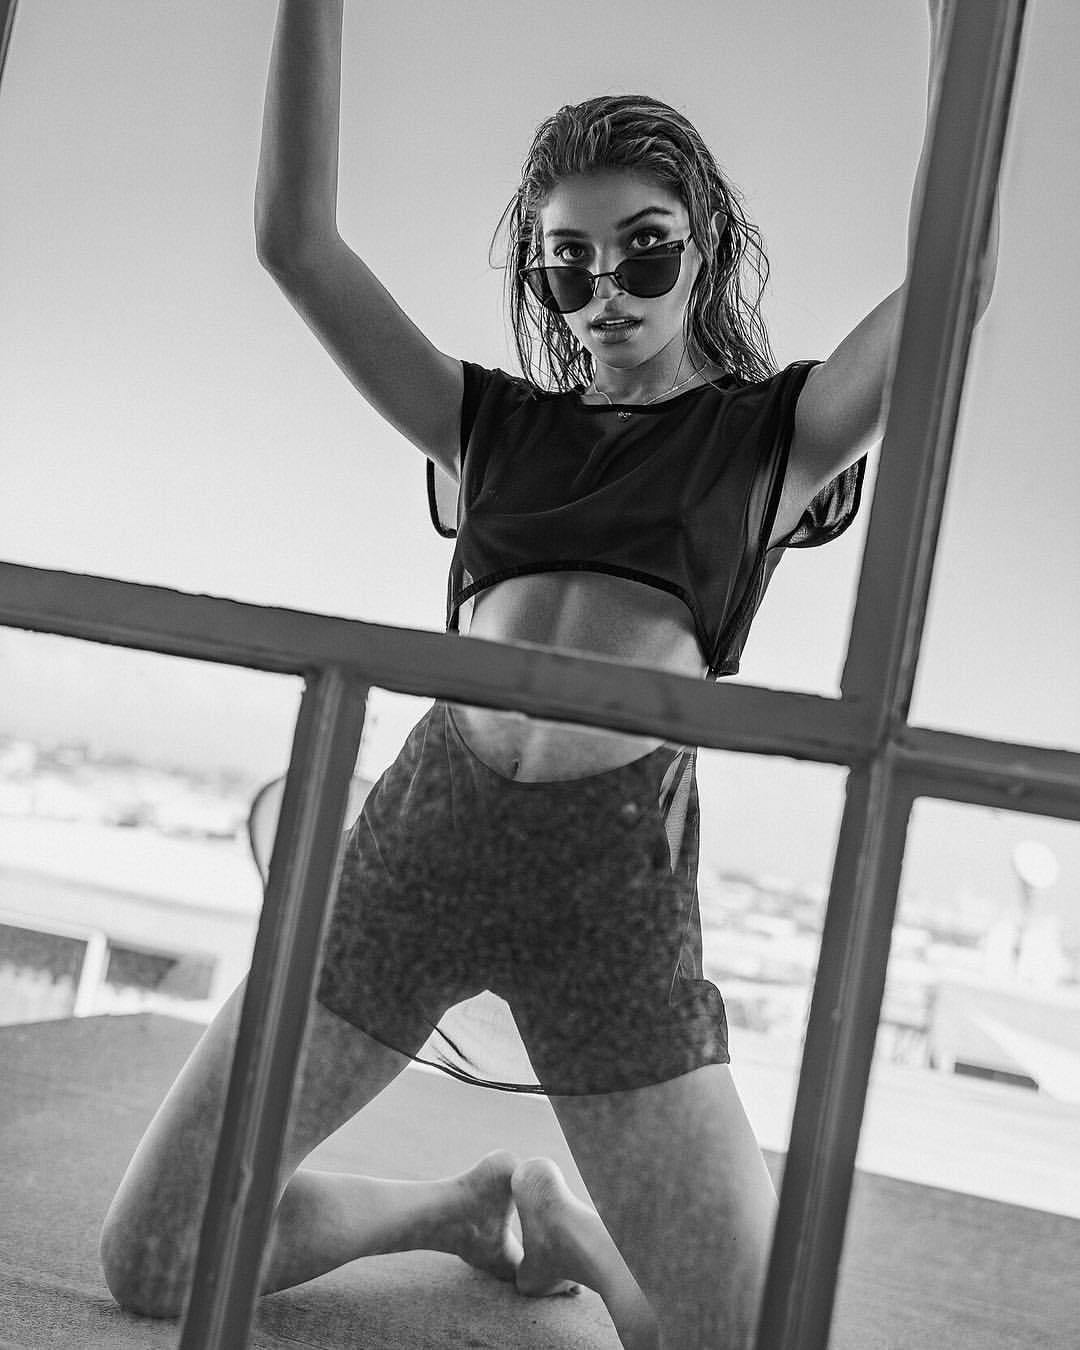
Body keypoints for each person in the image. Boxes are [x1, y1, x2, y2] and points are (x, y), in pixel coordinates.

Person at [99, 2, 996, 1347]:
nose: (607, 292)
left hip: (609, 891)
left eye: (645, 250)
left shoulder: (773, 439)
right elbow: (295, 241)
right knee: (156, 1254)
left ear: (702, 245)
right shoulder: (489, 425)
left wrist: (962, 27)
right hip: (422, 843)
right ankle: (463, 1207)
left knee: (750, 1337)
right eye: (568, 263)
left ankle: (579, 1242)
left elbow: (953, 280)